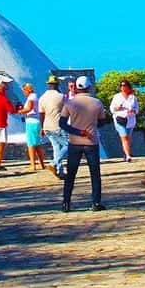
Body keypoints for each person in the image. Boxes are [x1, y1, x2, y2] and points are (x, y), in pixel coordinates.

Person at [58, 76, 106, 211]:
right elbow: (102, 121)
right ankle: (96, 202)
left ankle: (66, 203)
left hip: (74, 142)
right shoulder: (97, 103)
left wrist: (78, 132)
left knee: (71, 173)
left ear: (77, 87)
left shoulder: (70, 103)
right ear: (89, 87)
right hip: (91, 141)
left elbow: (62, 123)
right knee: (95, 173)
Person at [40, 75, 68, 180]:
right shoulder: (61, 96)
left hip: (47, 126)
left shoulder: (42, 97)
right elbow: (68, 109)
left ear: (48, 84)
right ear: (57, 85)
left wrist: (42, 128)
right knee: (69, 144)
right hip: (58, 125)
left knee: (56, 148)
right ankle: (54, 163)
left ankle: (60, 171)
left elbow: (41, 114)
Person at [109, 78, 139, 162]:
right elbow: (111, 108)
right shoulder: (117, 97)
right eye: (121, 85)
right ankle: (128, 156)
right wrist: (117, 108)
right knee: (124, 137)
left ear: (128, 87)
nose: (123, 87)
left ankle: (125, 154)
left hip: (130, 120)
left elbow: (137, 109)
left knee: (128, 138)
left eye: (125, 85)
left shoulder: (133, 98)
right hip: (119, 119)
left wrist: (133, 111)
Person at [19, 83, 46, 171]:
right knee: (37, 144)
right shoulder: (36, 96)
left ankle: (32, 165)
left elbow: (29, 108)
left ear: (29, 90)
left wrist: (20, 111)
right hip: (37, 122)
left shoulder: (31, 98)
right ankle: (42, 164)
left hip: (31, 122)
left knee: (31, 144)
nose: (24, 93)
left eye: (24, 90)